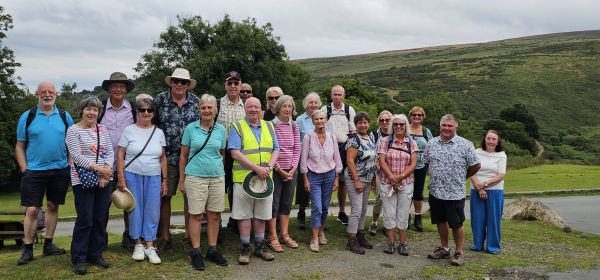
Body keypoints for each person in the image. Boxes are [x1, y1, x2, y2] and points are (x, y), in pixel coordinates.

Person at [15, 82, 74, 265]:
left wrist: (70, 163)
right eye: (43, 92)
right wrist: (25, 169)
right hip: (34, 171)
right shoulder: (28, 116)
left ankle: (48, 244)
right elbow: (19, 145)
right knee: (32, 210)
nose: (47, 95)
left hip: (59, 170)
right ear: (37, 94)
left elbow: (72, 142)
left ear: (56, 94)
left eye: (50, 92)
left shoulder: (65, 116)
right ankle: (28, 249)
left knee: (53, 206)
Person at [179, 94, 229, 270]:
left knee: (214, 214)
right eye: (203, 108)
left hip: (216, 176)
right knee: (197, 215)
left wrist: (218, 171)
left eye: (210, 107)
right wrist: (181, 180)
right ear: (199, 110)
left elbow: (221, 154)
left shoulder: (221, 130)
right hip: (195, 176)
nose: (207, 110)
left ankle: (213, 250)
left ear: (215, 110)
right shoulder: (190, 129)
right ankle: (196, 252)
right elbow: (183, 156)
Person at [424, 114, 480, 266]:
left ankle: (459, 252)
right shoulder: (432, 143)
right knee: (440, 221)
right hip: (435, 191)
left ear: (456, 127)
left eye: (450, 126)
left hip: (455, 193)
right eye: (444, 125)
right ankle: (444, 248)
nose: (446, 128)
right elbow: (425, 162)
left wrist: (463, 177)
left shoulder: (465, 144)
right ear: (440, 126)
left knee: (456, 223)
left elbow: (476, 165)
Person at [66, 95, 114, 275]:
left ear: (99, 113)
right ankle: (78, 258)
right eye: (88, 109)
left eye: (95, 109)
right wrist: (100, 170)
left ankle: (96, 253)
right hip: (82, 179)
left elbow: (110, 152)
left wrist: (106, 172)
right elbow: (77, 156)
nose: (92, 112)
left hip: (103, 180)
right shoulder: (73, 131)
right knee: (85, 219)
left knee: (99, 218)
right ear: (82, 110)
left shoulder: (102, 129)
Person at [154, 68, 200, 254]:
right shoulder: (159, 100)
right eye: (176, 81)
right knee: (165, 198)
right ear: (171, 82)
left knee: (190, 199)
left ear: (188, 85)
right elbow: (153, 125)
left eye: (183, 82)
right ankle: (166, 237)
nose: (179, 84)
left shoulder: (196, 102)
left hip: (192, 159)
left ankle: (189, 237)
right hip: (167, 158)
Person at [228, 97, 279, 265]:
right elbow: (235, 153)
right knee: (244, 215)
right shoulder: (237, 127)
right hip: (243, 179)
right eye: (250, 106)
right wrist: (257, 169)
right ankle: (245, 247)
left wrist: (269, 168)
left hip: (265, 179)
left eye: (256, 107)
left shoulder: (269, 126)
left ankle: (260, 246)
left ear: (260, 109)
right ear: (245, 109)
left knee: (261, 214)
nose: (253, 110)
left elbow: (276, 150)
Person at [116, 97, 167, 265]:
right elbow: (121, 154)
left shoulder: (158, 132)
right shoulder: (129, 130)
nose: (146, 113)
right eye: (142, 110)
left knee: (152, 209)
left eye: (149, 110)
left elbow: (163, 158)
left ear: (153, 113)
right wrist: (121, 176)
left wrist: (164, 180)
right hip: (132, 173)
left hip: (153, 174)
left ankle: (150, 245)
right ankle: (138, 243)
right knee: (134, 208)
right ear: (137, 112)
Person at [98, 72, 137, 248]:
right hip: (103, 165)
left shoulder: (134, 110)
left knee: (128, 202)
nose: (118, 89)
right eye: (115, 85)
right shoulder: (99, 109)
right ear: (109, 88)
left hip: (128, 164)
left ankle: (129, 236)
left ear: (126, 89)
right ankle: (100, 238)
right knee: (102, 204)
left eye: (122, 86)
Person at [300, 110, 343, 252]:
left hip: (329, 175)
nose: (319, 121)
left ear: (326, 120)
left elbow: (337, 158)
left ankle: (321, 231)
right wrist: (305, 178)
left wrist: (336, 177)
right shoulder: (308, 137)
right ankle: (314, 239)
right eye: (317, 119)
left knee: (325, 207)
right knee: (317, 207)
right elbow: (304, 159)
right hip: (314, 176)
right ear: (313, 121)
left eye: (322, 118)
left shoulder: (331, 137)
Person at [377, 114, 418, 255]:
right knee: (389, 213)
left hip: (406, 183)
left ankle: (402, 243)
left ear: (405, 126)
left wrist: (399, 177)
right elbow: (382, 161)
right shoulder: (384, 141)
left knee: (403, 213)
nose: (399, 127)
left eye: (401, 124)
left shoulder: (411, 142)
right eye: (396, 124)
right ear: (392, 126)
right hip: (387, 183)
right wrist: (391, 177)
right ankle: (390, 243)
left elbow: (413, 164)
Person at [267, 95, 301, 253]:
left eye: (290, 106)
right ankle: (273, 237)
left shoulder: (294, 126)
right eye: (285, 106)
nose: (288, 109)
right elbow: (271, 149)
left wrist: (293, 169)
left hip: (291, 170)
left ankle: (284, 234)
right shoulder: (271, 125)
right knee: (274, 203)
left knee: (286, 203)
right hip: (276, 170)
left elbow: (297, 148)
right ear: (278, 108)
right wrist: (279, 170)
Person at [321, 85, 356, 225]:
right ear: (331, 96)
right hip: (328, 149)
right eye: (334, 94)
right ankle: (322, 212)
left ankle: (341, 212)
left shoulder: (349, 110)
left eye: (339, 94)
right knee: (326, 181)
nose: (337, 97)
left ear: (344, 96)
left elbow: (353, 131)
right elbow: (319, 128)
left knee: (343, 182)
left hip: (344, 148)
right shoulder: (325, 110)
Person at [215, 71, 245, 232]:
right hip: (222, 153)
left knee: (238, 189)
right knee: (220, 188)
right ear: (225, 85)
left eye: (236, 83)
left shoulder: (246, 106)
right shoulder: (218, 104)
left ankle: (236, 220)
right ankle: (216, 224)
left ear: (240, 85)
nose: (233, 86)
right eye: (230, 83)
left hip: (241, 153)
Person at [344, 112, 377, 254]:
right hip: (354, 179)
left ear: (369, 124)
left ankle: (360, 235)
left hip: (368, 180)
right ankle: (351, 240)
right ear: (355, 125)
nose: (363, 125)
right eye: (360, 123)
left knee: (364, 210)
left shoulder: (370, 139)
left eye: (365, 122)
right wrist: (357, 180)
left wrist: (374, 179)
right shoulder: (353, 140)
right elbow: (350, 161)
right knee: (356, 210)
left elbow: (373, 161)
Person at [470, 130, 507, 254]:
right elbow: (471, 172)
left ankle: (493, 247)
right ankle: (477, 244)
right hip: (476, 189)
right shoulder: (476, 152)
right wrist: (479, 188)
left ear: (497, 142)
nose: (491, 141)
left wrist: (484, 184)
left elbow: (500, 175)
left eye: (494, 139)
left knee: (493, 219)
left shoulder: (502, 155)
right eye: (489, 138)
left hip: (495, 191)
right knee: (477, 218)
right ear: (485, 139)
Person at [295, 92, 322, 229]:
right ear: (306, 104)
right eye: (311, 102)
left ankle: (316, 217)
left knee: (319, 188)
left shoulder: (322, 118)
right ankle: (301, 213)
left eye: (315, 102)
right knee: (303, 187)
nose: (313, 105)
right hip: (304, 158)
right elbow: (297, 139)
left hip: (320, 160)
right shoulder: (300, 120)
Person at [407, 106, 433, 232]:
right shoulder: (405, 129)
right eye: (414, 115)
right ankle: (405, 216)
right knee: (406, 191)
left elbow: (431, 148)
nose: (417, 117)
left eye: (419, 115)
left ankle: (418, 217)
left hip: (421, 165)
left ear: (423, 117)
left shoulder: (426, 131)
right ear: (410, 116)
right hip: (405, 165)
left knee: (418, 192)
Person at [368, 110, 393, 236]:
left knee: (393, 198)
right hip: (379, 171)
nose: (384, 122)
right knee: (379, 198)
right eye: (382, 120)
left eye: (387, 120)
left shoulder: (397, 133)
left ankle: (389, 225)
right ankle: (374, 222)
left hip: (394, 171)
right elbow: (372, 153)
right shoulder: (374, 135)